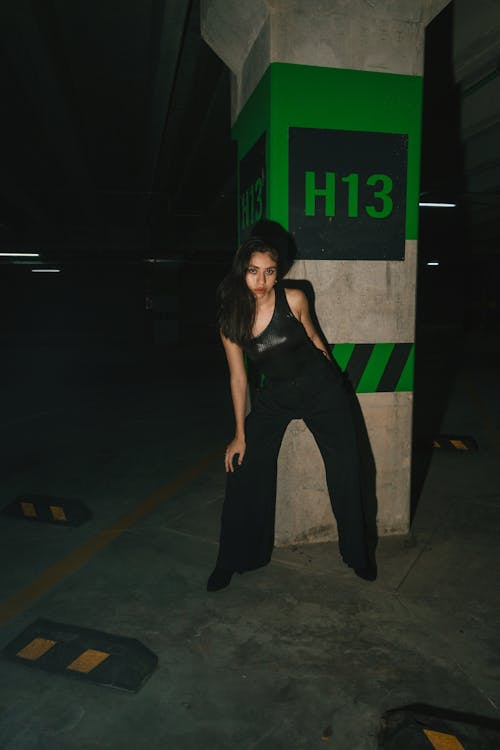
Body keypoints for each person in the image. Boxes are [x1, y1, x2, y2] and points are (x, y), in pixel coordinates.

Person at [207, 236, 376, 591]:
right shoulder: (231, 322)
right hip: (277, 396)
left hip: (321, 389)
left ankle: (359, 555)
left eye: (269, 272)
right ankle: (233, 559)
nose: (261, 281)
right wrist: (240, 434)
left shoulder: (294, 298)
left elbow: (316, 340)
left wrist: (339, 389)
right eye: (254, 272)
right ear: (242, 271)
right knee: (242, 465)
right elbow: (239, 379)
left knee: (348, 468)